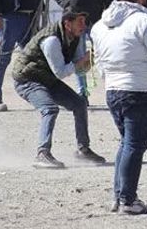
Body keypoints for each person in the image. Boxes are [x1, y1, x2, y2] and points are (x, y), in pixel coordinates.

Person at [92, 0, 147, 215]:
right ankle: (127, 199)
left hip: (113, 91)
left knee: (127, 143)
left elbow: (99, 61)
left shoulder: (99, 25)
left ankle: (119, 196)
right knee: (134, 146)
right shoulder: (144, 22)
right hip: (140, 91)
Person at [11, 9, 107, 169]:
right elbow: (61, 72)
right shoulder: (52, 41)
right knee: (49, 109)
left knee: (79, 104)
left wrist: (92, 59)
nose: (84, 26)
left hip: (47, 78)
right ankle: (42, 153)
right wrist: (81, 62)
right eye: (80, 22)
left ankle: (83, 150)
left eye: (84, 21)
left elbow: (80, 69)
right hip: (28, 80)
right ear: (67, 24)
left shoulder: (76, 37)